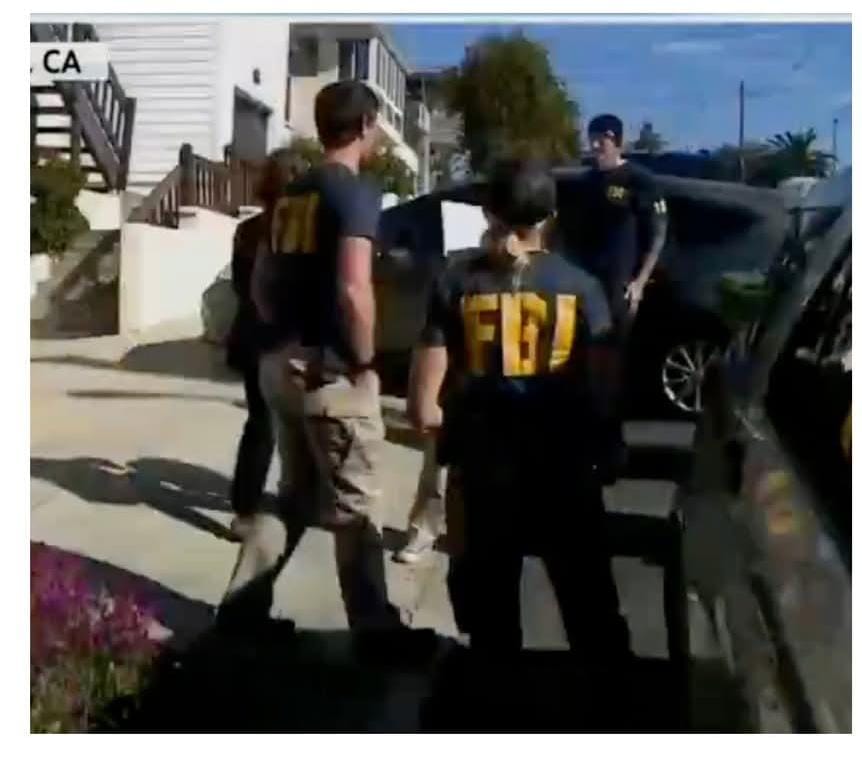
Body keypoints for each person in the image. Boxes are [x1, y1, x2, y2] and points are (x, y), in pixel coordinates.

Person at [219, 81, 436, 660]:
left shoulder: (293, 192)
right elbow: (353, 287)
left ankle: (240, 611)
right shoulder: (353, 191)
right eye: (375, 125)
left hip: (279, 364)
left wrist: (281, 336)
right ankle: (376, 632)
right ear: (365, 125)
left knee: (293, 497)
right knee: (356, 505)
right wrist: (365, 362)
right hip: (328, 373)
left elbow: (262, 281)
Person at [408, 158, 631, 656]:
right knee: (592, 614)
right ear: (550, 216)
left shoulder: (456, 282)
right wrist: (608, 446)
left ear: (489, 213)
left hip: (484, 475)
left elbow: (422, 408)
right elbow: (604, 391)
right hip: (565, 471)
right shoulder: (583, 287)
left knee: (491, 627)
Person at [225, 149, 306, 541]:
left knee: (259, 423)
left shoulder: (247, 230)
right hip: (286, 338)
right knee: (295, 425)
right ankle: (294, 499)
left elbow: (239, 286)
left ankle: (244, 509)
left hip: (250, 335)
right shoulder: (300, 231)